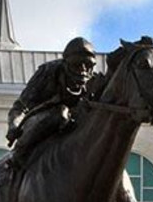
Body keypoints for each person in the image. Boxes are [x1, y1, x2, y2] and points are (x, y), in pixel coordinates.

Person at [6, 37, 100, 168]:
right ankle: (18, 155)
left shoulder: (94, 83)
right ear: (66, 63)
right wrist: (14, 126)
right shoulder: (47, 72)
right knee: (61, 113)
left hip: (74, 124)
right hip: (40, 121)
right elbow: (20, 106)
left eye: (88, 65)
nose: (83, 70)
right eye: (77, 64)